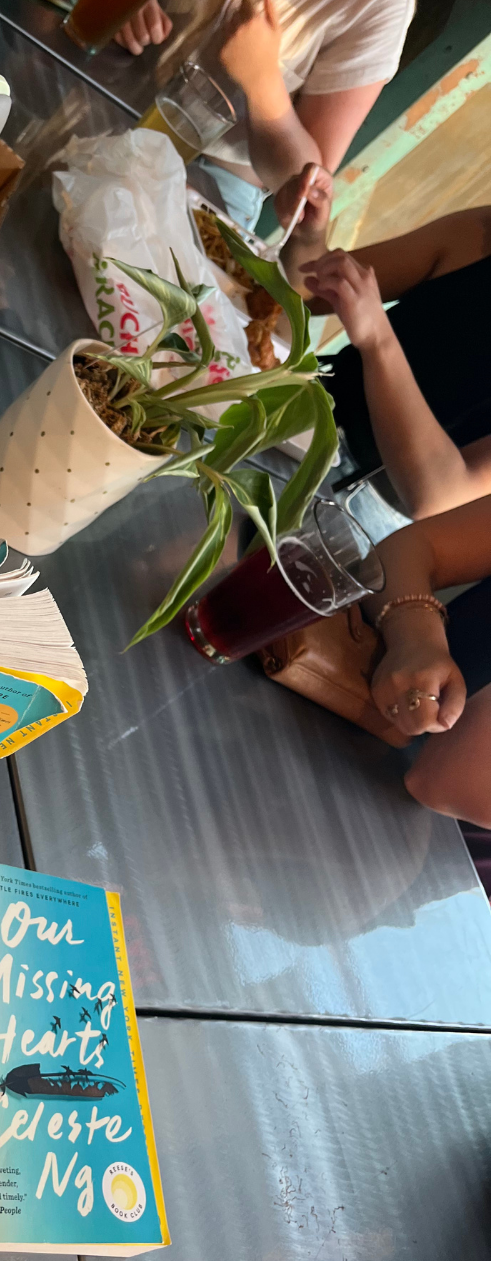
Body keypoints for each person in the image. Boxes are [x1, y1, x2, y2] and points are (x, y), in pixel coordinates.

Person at [295, 240, 491, 830]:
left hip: (376, 787)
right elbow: (305, 283)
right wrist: (415, 628)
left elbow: (441, 779)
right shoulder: (479, 232)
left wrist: (376, 336)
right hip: (294, 437)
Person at [278, 163, 491, 501]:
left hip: (359, 509)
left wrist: (378, 340)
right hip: (304, 406)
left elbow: (439, 495)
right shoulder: (481, 231)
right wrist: (307, 236)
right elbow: (310, 291)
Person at [116, 0, 414, 230]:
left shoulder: (382, 9)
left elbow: (302, 186)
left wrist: (262, 81)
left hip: (218, 177)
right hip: (118, 84)